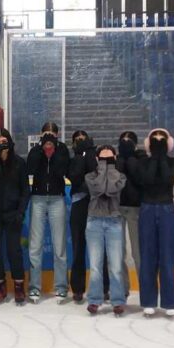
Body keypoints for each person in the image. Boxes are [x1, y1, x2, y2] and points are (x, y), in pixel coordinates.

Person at [136, 128, 174, 316]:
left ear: (168, 143)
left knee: (167, 258)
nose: (158, 141)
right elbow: (146, 180)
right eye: (154, 139)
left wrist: (161, 156)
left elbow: (167, 179)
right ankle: (148, 301)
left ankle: (170, 302)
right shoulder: (143, 162)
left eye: (161, 139)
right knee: (147, 257)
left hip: (167, 210)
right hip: (147, 209)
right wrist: (155, 156)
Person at [0, 128, 30, 304]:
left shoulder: (18, 163)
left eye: (4, 141)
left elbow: (25, 190)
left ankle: (19, 285)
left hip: (13, 214)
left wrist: (20, 212)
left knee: (14, 251)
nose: (1, 145)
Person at [26, 122, 70, 302]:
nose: (49, 137)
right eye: (46, 134)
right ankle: (34, 287)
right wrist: (41, 150)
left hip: (57, 199)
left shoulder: (63, 150)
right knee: (35, 245)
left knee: (59, 245)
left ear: (57, 135)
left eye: (52, 134)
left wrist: (54, 152)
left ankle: (61, 286)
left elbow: (62, 171)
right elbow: (30, 168)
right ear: (41, 134)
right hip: (37, 199)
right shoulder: (35, 151)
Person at [85, 145, 128, 316]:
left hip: (114, 221)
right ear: (97, 160)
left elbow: (110, 190)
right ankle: (94, 299)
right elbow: (98, 189)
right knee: (95, 265)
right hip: (94, 220)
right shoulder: (89, 176)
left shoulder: (120, 176)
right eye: (103, 159)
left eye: (110, 159)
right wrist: (103, 167)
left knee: (116, 264)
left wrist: (109, 167)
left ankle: (117, 300)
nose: (106, 162)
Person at [68, 129, 100, 302]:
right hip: (79, 205)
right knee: (78, 248)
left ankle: (104, 286)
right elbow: (75, 176)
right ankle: (78, 288)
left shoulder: (94, 157)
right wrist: (80, 155)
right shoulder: (73, 160)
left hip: (95, 205)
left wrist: (89, 153)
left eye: (83, 139)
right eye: (77, 140)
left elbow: (94, 174)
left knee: (98, 250)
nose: (80, 141)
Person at [115, 130, 145, 299]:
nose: (125, 145)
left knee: (137, 252)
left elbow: (139, 177)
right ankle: (122, 288)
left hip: (135, 209)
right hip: (118, 208)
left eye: (129, 142)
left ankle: (145, 289)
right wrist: (121, 158)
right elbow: (116, 176)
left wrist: (130, 157)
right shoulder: (116, 159)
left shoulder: (140, 159)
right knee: (118, 252)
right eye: (123, 142)